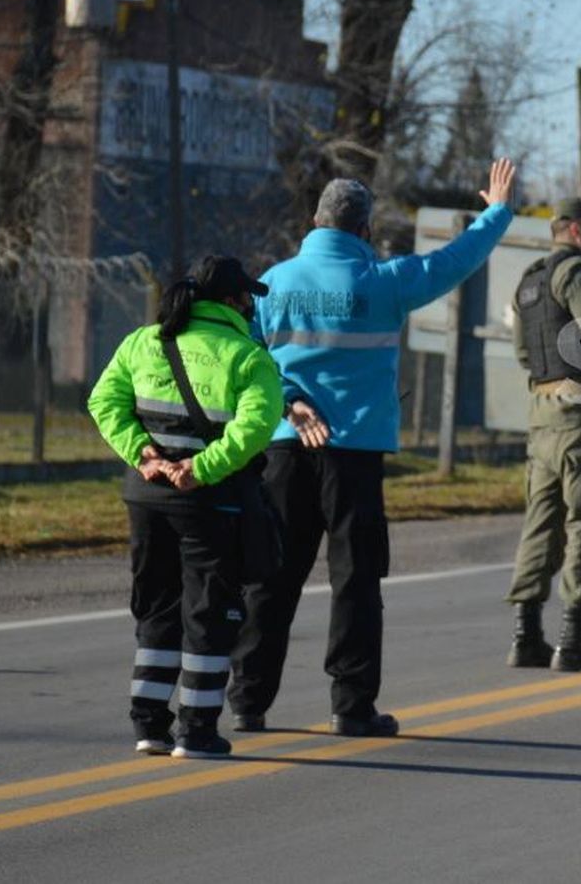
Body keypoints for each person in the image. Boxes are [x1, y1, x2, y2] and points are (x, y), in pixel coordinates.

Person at [227, 159, 517, 736]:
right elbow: (454, 261)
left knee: (272, 577)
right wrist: (496, 212)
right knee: (356, 581)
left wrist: (288, 400)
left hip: (285, 448)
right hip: (354, 454)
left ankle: (248, 700)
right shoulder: (385, 282)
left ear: (315, 221)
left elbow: (246, 357)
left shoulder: (272, 283)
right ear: (363, 229)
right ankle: (351, 706)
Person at [87, 256, 282, 759]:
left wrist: (144, 453)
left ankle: (149, 725)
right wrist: (201, 468)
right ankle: (196, 731)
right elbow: (255, 428)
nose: (249, 307)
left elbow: (104, 401)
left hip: (146, 495)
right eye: (247, 298)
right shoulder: (248, 356)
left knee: (156, 606)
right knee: (209, 612)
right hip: (211, 501)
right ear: (234, 301)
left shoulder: (142, 341)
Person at [505, 197, 581, 673]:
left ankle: (526, 635)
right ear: (577, 230)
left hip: (541, 416)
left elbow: (523, 354)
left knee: (541, 522)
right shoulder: (576, 272)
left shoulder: (530, 280)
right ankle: (575, 639)